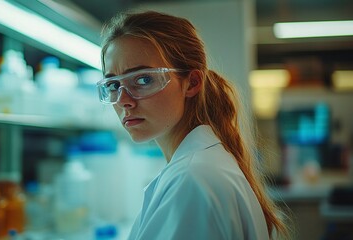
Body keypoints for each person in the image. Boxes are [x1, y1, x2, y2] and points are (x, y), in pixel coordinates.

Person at [97, 11, 290, 240]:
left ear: (192, 83)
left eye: (143, 79)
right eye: (112, 85)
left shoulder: (192, 179)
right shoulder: (198, 166)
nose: (123, 100)